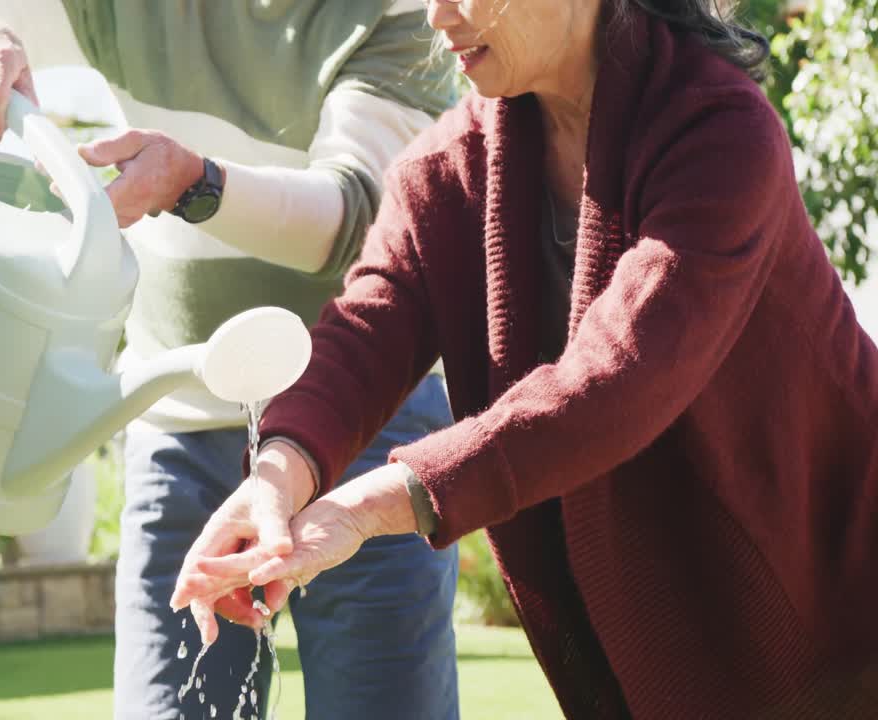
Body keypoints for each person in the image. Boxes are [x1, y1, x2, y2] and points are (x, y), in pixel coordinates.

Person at [173, 0, 878, 717]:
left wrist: (366, 507)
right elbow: (363, 333)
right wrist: (276, 478)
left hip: (846, 622)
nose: (436, 13)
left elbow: (614, 382)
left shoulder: (721, 135)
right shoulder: (446, 175)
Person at [0, 2, 462, 718]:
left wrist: (196, 183)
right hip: (180, 430)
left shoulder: (403, 12)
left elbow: (356, 213)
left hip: (369, 425)